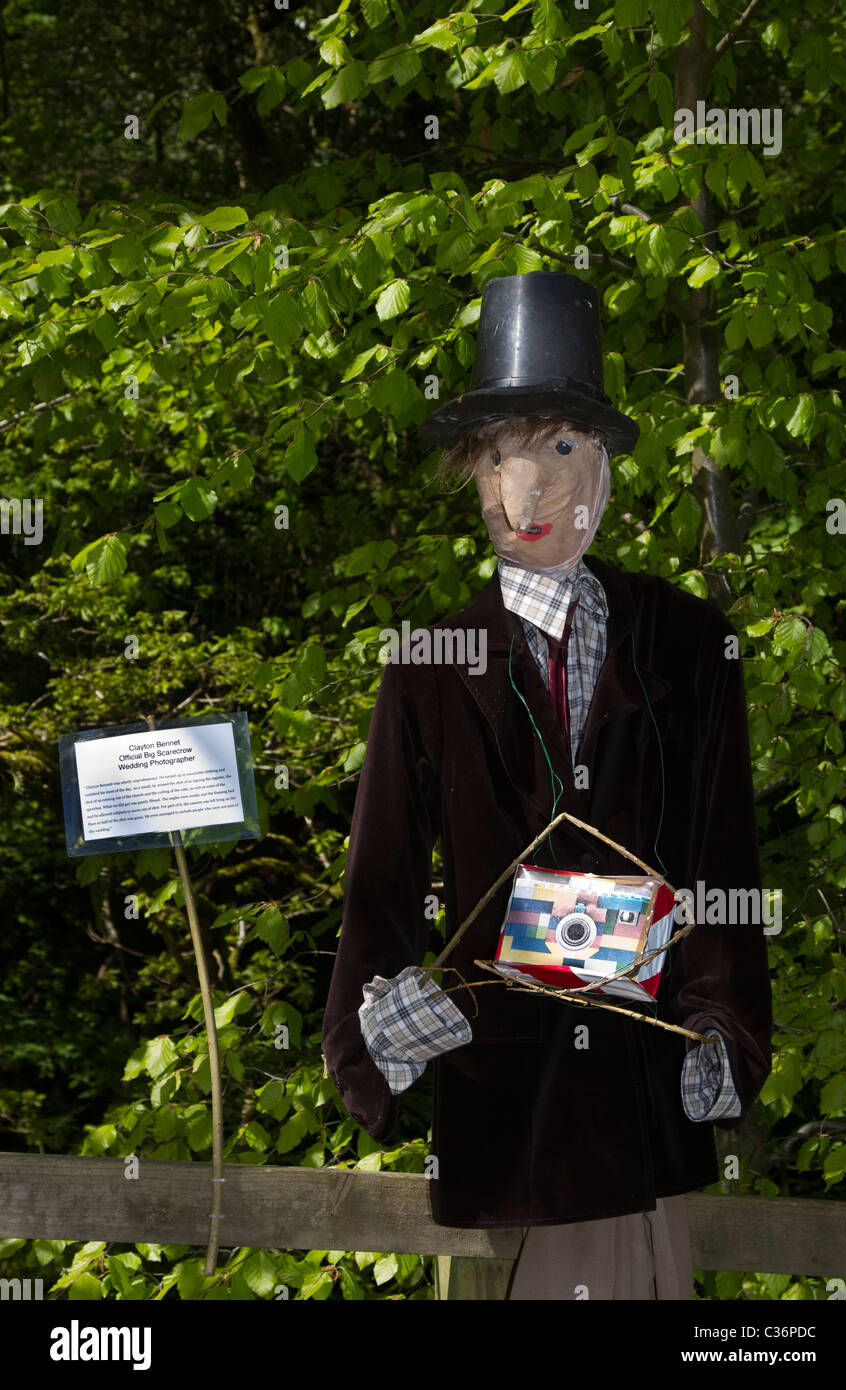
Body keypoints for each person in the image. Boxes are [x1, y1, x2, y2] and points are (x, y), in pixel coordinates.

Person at [321, 271, 772, 1299]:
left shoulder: (690, 647)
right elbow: (379, 880)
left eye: (557, 448)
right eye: (497, 453)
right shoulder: (428, 659)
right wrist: (374, 1029)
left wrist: (722, 1033)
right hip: (498, 1098)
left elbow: (718, 862)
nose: (525, 486)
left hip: (636, 1096)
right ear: (471, 474)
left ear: (602, 467)